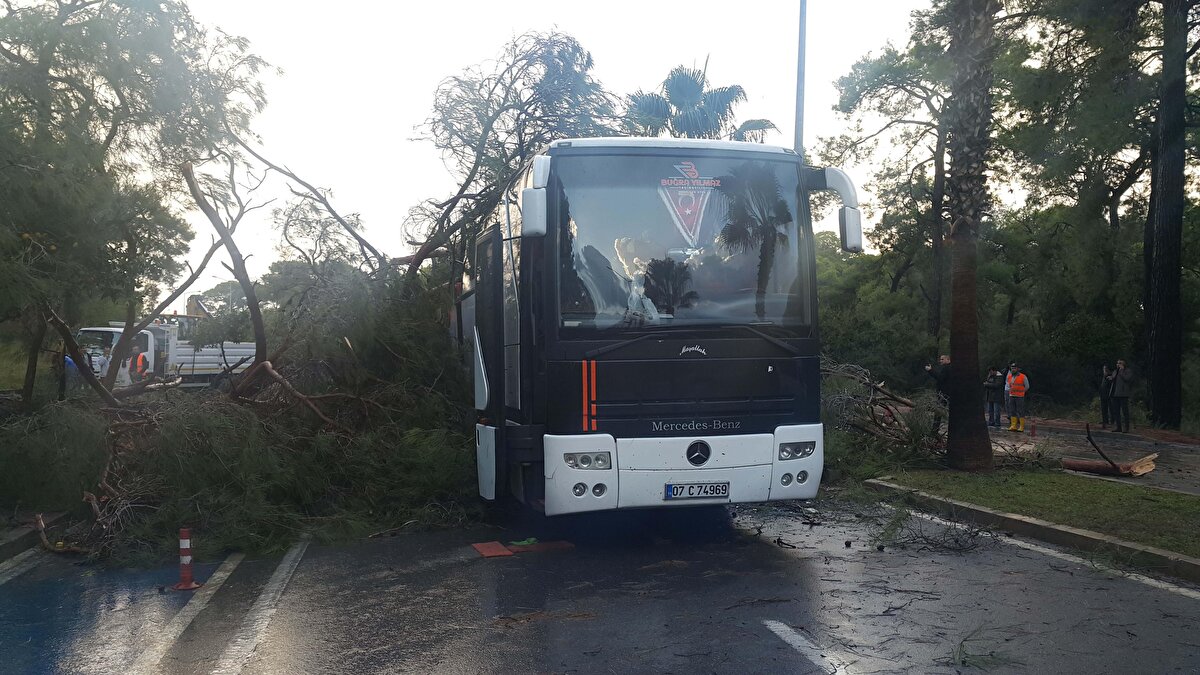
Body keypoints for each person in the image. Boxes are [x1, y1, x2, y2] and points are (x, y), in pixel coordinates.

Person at [925, 354, 950, 432]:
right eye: (940, 359)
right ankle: (935, 429)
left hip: (944, 394)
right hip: (945, 393)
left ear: (948, 360)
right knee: (939, 410)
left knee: (938, 411)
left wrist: (930, 371)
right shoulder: (946, 368)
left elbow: (940, 378)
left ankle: (935, 429)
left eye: (942, 359)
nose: (940, 361)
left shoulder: (947, 368)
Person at [1110, 359, 1134, 433]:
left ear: (1123, 364)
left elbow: (1127, 379)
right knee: (1116, 412)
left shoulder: (1127, 371)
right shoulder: (1115, 371)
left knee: (1125, 411)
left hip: (1123, 394)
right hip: (1115, 394)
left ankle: (1126, 428)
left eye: (1120, 363)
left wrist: (1121, 371)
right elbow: (1113, 379)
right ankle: (1118, 427)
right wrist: (1111, 378)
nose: (1118, 364)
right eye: (1117, 363)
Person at [1006, 364, 1030, 432]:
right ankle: (1013, 425)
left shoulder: (1023, 376)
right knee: (1012, 410)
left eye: (1014, 368)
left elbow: (1027, 386)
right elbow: (1009, 385)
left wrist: (1022, 392)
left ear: (1017, 369)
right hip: (1011, 395)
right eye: (1012, 368)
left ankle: (1021, 426)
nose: (1013, 369)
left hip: (1019, 396)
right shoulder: (1009, 376)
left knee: (1020, 411)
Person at [1100, 364, 1113, 428]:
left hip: (1109, 395)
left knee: (1111, 408)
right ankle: (1105, 420)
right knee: (1103, 408)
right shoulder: (1104, 377)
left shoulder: (1110, 377)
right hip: (1103, 395)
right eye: (1103, 369)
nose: (1104, 371)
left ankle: (1111, 421)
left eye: (1105, 369)